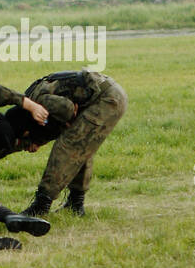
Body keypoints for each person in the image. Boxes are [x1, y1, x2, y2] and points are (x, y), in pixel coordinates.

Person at [11, 71, 128, 217]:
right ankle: (75, 204)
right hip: (106, 93)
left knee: (69, 145)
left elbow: (67, 108)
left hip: (107, 98)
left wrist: (39, 138)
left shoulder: (40, 101)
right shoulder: (33, 103)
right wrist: (40, 140)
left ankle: (41, 205)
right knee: (82, 146)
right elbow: (56, 123)